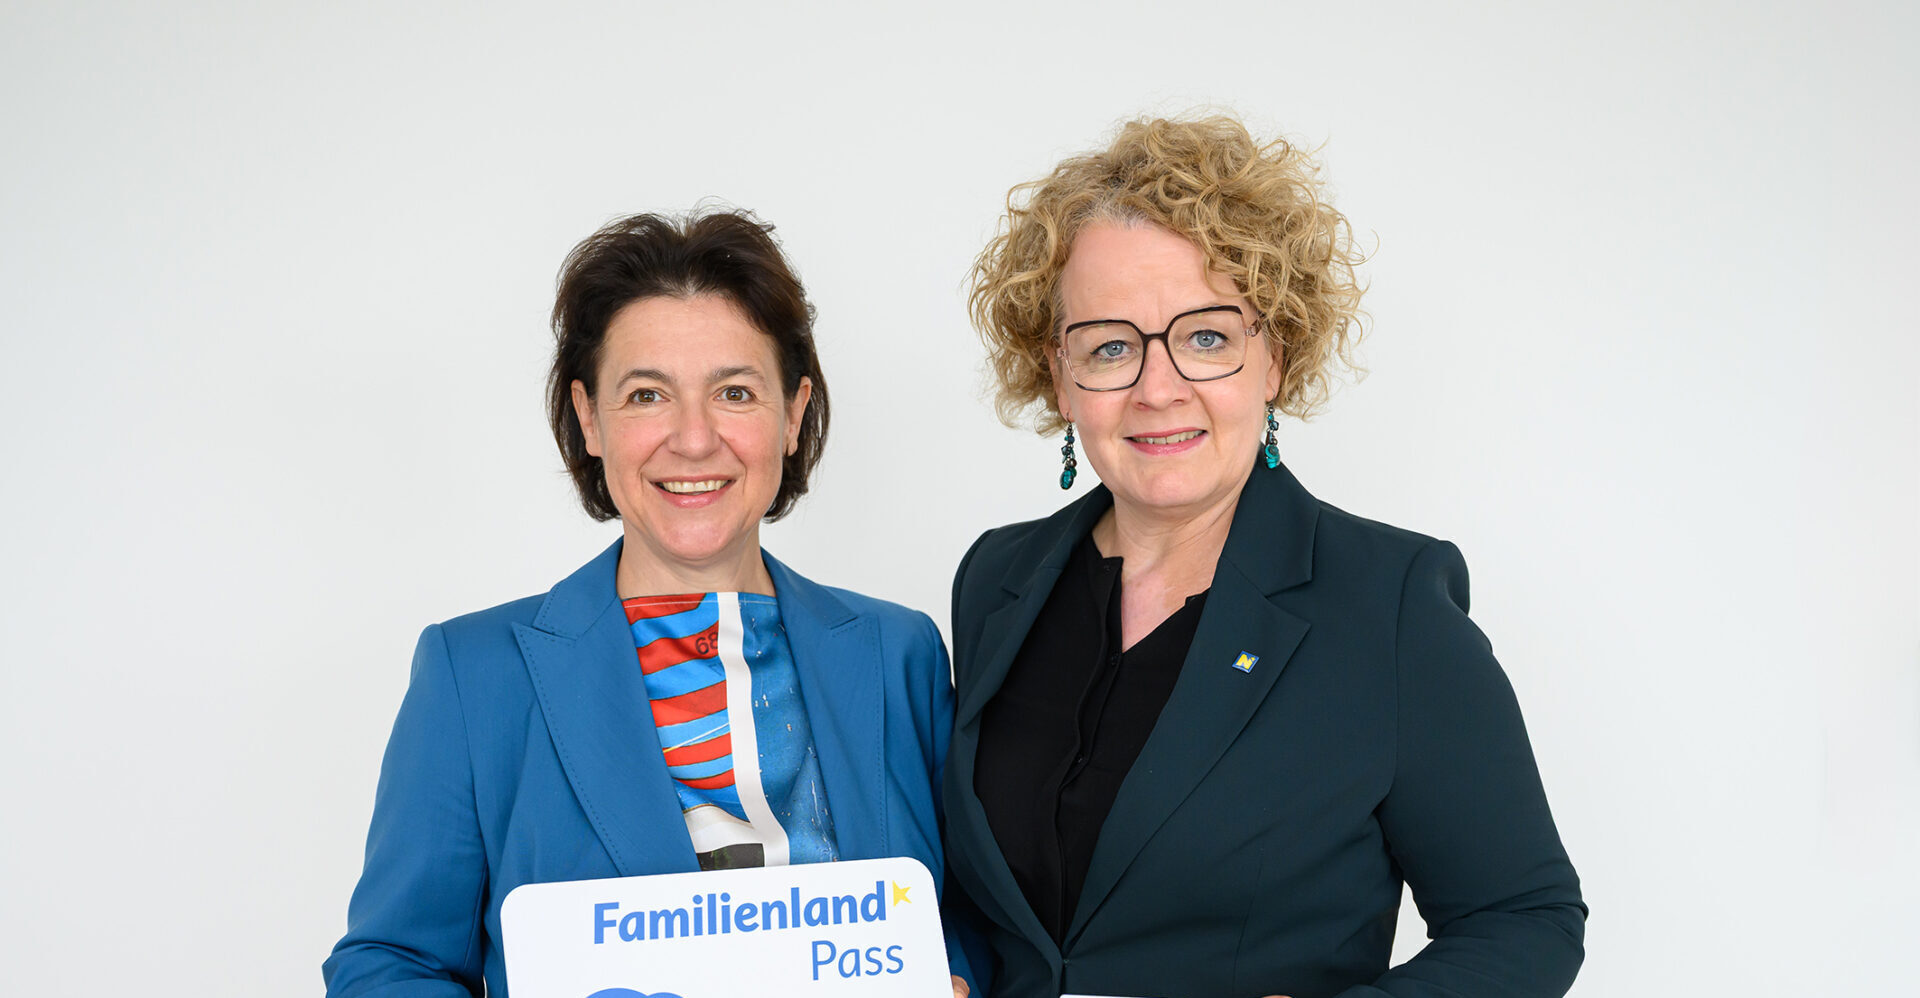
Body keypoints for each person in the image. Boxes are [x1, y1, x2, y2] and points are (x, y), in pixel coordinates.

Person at [944, 116, 1586, 998]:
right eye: (1110, 346)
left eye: (1206, 337)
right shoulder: (997, 580)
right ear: (1059, 377)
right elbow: (990, 903)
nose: (1157, 388)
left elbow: (1524, 919)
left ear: (1274, 356)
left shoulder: (1391, 604)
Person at [325, 210, 976, 997]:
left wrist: (957, 979)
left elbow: (970, 919)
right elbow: (391, 965)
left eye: (735, 392)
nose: (693, 439)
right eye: (646, 395)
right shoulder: (475, 676)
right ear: (590, 419)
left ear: (793, 414)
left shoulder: (899, 655)